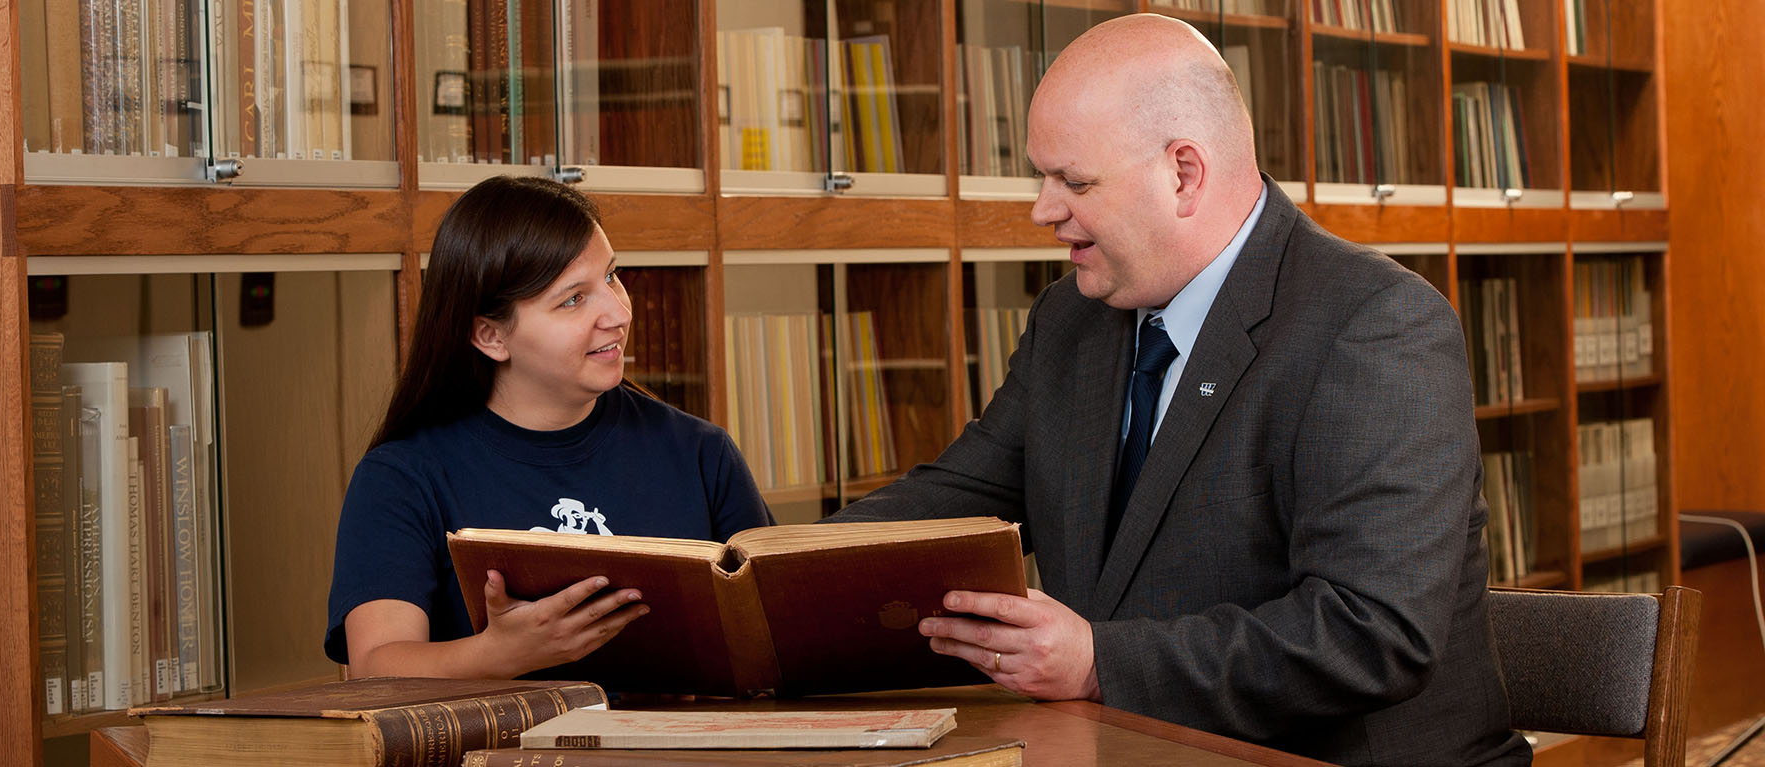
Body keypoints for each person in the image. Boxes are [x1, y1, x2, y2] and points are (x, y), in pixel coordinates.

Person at [826, 14, 1530, 767]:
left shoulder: (1375, 323)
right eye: (1041, 175)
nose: (1042, 208)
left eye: (1074, 180)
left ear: (1184, 173)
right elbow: (957, 498)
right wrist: (758, 568)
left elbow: (1374, 631)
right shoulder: (1070, 319)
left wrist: (1100, 660)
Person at [325, 176, 773, 679]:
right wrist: (502, 654)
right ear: (490, 335)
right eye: (573, 300)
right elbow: (377, 667)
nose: (618, 312)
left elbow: (778, 636)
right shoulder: (402, 477)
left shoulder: (700, 453)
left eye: (611, 276)